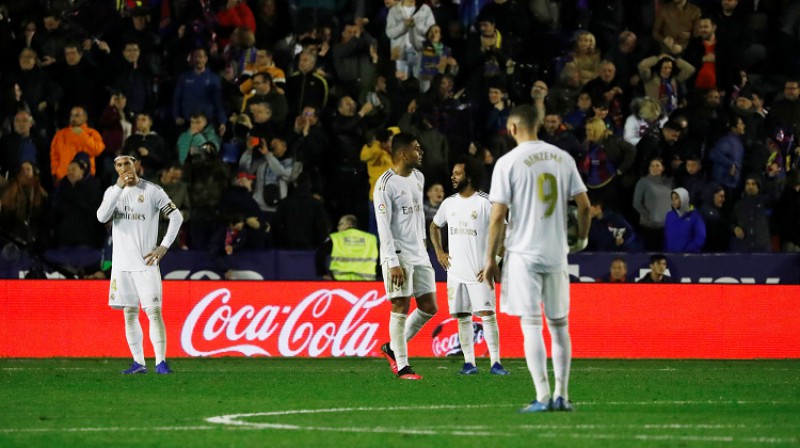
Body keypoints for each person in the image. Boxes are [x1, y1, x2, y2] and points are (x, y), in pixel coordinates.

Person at [484, 104, 591, 413]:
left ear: (513, 129)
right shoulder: (563, 158)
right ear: (539, 125)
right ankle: (563, 395)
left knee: (531, 324)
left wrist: (490, 258)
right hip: (557, 253)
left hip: (523, 254)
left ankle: (542, 396)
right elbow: (584, 206)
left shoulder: (508, 162)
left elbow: (497, 217)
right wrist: (581, 238)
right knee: (560, 326)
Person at [96, 153, 184, 374]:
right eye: (119, 165)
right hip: (121, 266)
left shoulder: (152, 191)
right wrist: (117, 188)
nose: (124, 167)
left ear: (136, 165)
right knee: (129, 313)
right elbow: (101, 217)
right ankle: (138, 363)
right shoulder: (112, 193)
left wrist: (163, 246)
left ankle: (161, 362)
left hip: (146, 263)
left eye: (127, 163)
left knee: (153, 312)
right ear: (115, 168)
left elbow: (176, 217)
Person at [430, 156, 509, 376]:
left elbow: (504, 234)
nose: (452, 177)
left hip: (479, 271)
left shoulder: (486, 202)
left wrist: (494, 262)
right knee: (463, 317)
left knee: (487, 314)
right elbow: (434, 227)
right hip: (455, 272)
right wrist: (439, 252)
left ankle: (496, 363)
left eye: (457, 173)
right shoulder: (449, 203)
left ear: (470, 176)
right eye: (453, 173)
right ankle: (469, 363)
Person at [374, 132, 438, 380]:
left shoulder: (418, 177)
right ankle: (402, 366)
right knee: (401, 304)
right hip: (398, 255)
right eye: (416, 149)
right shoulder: (385, 184)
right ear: (402, 154)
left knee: (429, 306)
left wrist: (423, 244)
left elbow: (418, 214)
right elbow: (384, 226)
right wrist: (391, 262)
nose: (420, 152)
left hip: (419, 253)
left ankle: (391, 347)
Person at [316, 214, 378, 280]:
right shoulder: (371, 239)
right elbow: (381, 258)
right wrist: (379, 275)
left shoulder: (335, 238)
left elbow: (320, 255)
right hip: (367, 282)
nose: (338, 227)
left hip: (340, 281)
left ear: (349, 224)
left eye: (340, 224)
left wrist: (322, 273)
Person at [663, 187, 706, 253]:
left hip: (689, 258)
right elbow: (666, 236)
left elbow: (700, 237)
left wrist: (688, 251)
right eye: (672, 198)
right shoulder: (669, 215)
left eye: (676, 198)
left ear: (684, 198)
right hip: (671, 256)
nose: (673, 201)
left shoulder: (695, 216)